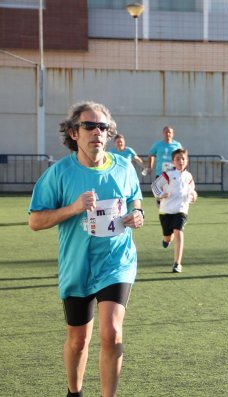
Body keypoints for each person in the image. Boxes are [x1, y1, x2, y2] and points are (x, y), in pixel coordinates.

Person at [28, 101, 144, 397]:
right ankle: (74, 392)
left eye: (103, 127)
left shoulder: (123, 166)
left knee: (112, 333)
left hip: (116, 263)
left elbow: (135, 198)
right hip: (77, 267)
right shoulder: (59, 173)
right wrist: (74, 208)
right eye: (89, 126)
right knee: (79, 340)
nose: (97, 132)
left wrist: (137, 214)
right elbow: (36, 220)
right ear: (73, 133)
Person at [151, 148, 197, 273]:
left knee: (178, 231)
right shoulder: (168, 174)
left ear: (187, 161)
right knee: (168, 237)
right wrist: (160, 194)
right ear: (173, 161)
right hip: (166, 210)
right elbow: (155, 185)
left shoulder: (189, 176)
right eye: (177, 159)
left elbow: (192, 190)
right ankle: (166, 239)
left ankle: (177, 263)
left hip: (182, 209)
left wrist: (193, 196)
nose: (180, 161)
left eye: (183, 158)